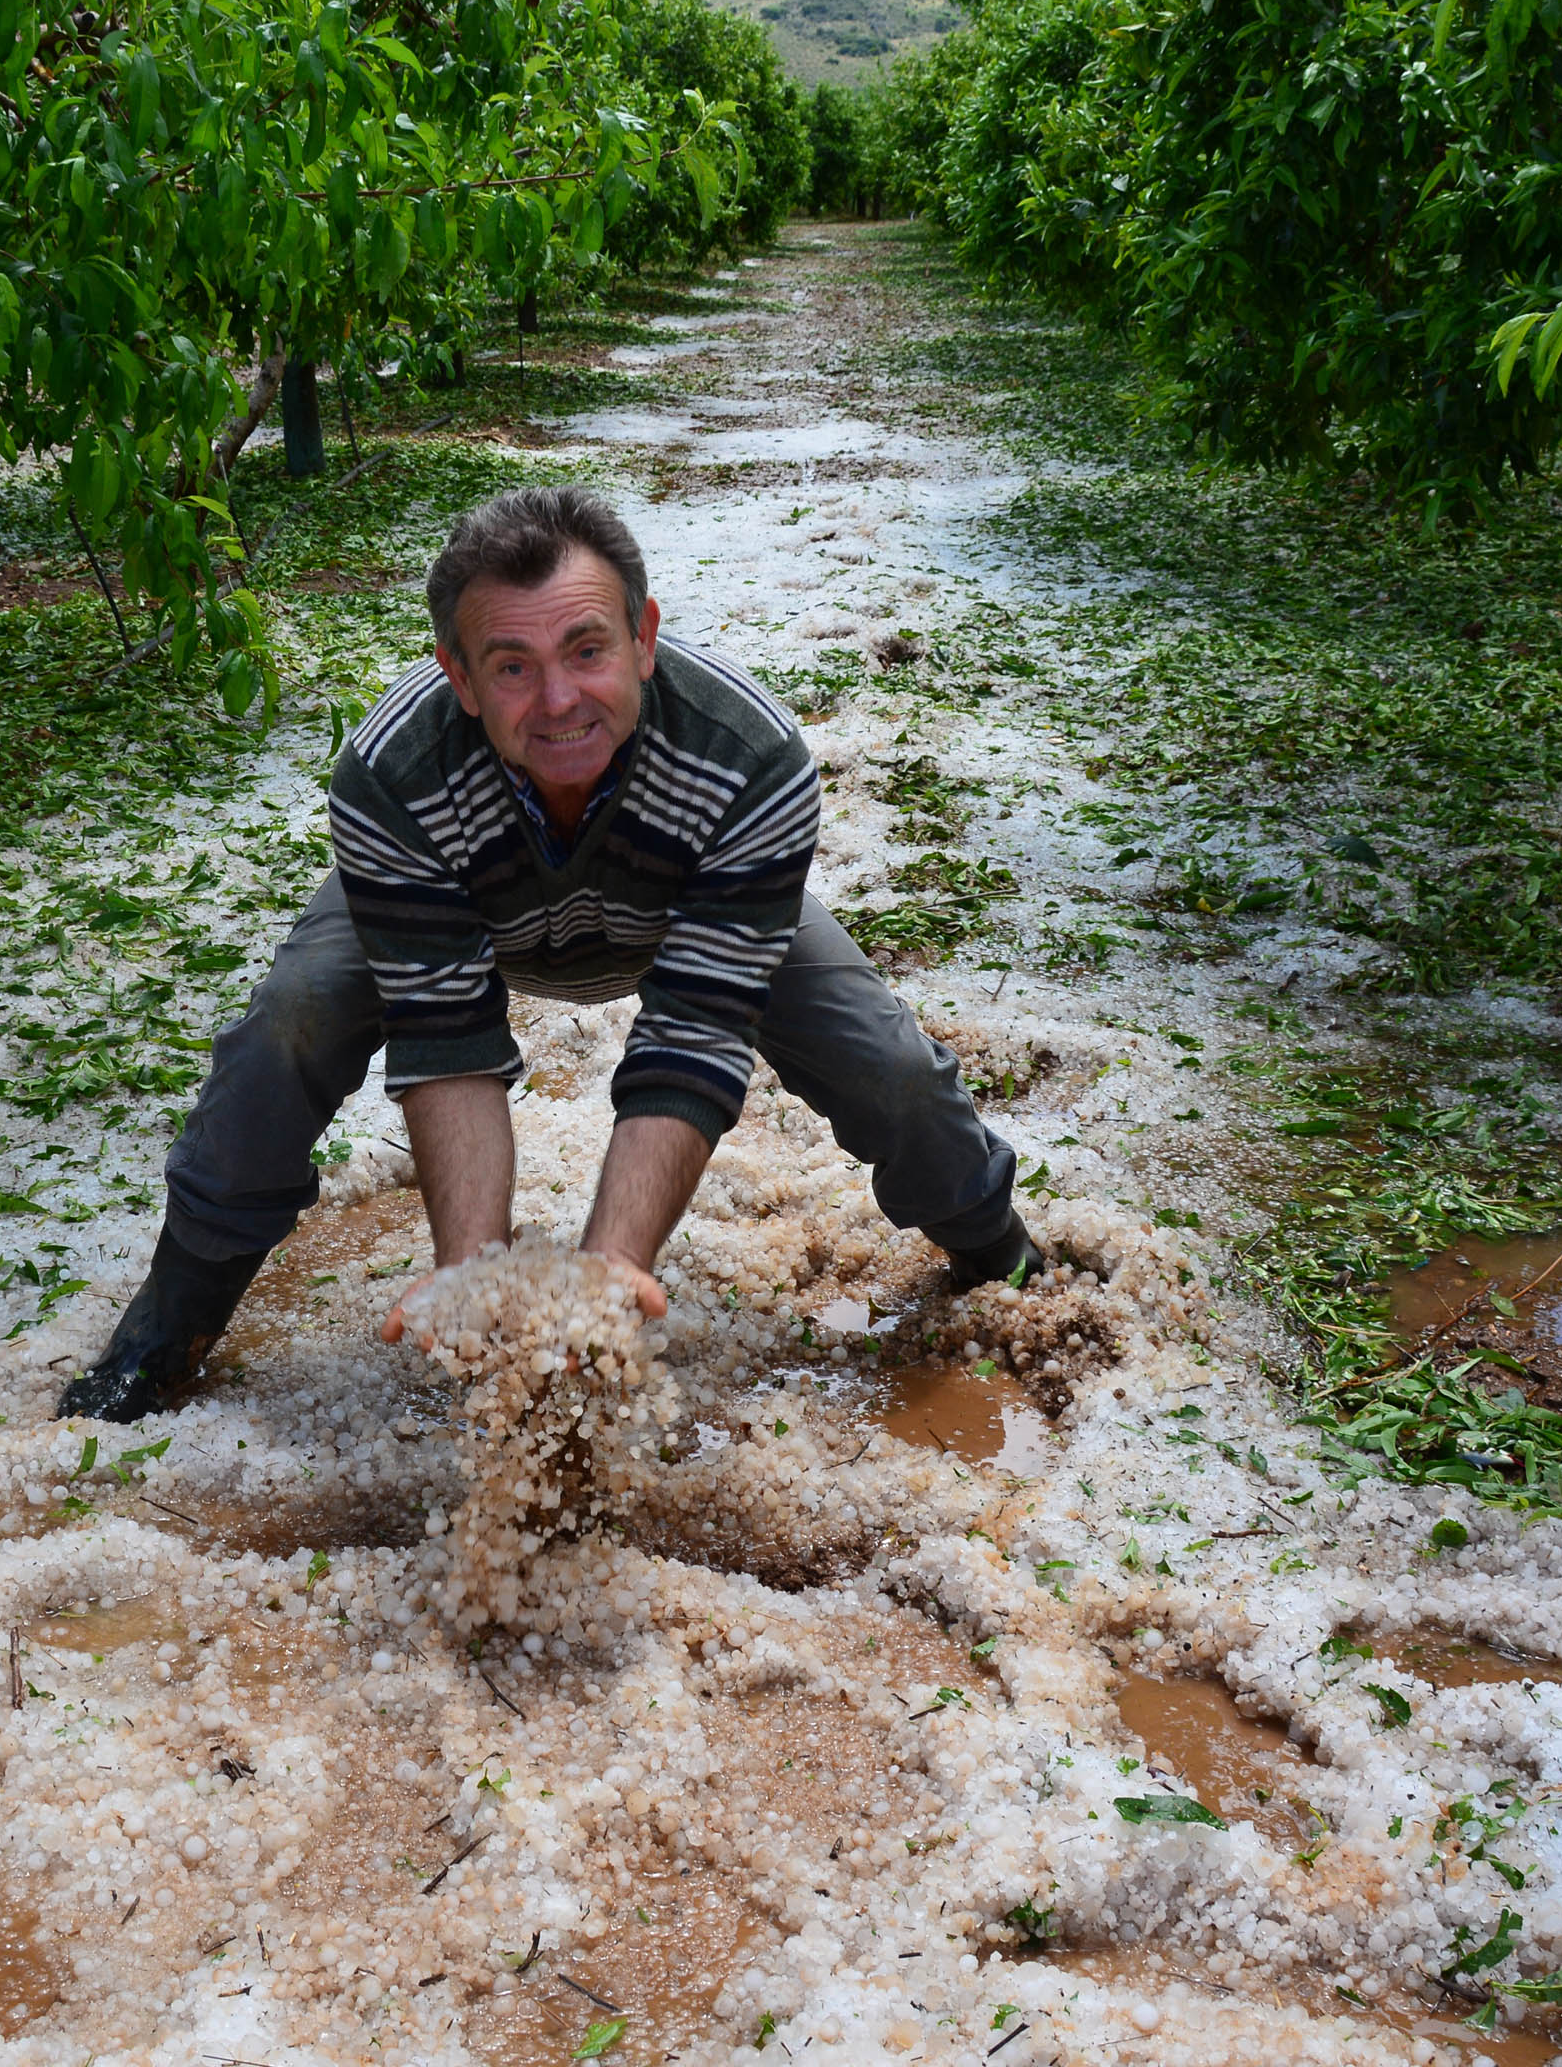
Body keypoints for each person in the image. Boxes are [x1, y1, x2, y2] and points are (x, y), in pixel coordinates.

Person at [58, 485, 1042, 1421]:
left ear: (644, 640)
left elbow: (696, 1034)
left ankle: (1000, 1255)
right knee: (291, 1021)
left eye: (587, 649)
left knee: (895, 1069)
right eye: (513, 665)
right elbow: (447, 1041)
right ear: (460, 676)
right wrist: (476, 1284)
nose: (559, 697)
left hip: (679, 905)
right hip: (463, 902)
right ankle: (173, 1315)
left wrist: (608, 1274)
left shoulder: (752, 757)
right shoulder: (391, 771)